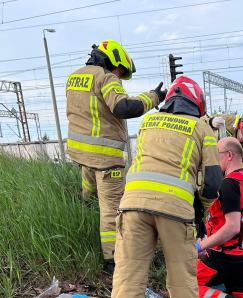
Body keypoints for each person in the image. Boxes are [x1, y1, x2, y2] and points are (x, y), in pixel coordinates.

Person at [111, 76, 223, 297]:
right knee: (182, 280)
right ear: (197, 103)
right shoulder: (201, 128)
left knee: (128, 278)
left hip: (132, 206)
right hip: (175, 211)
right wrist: (202, 211)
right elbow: (212, 181)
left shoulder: (147, 123)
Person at [66, 39, 166, 271]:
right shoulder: (106, 78)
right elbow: (123, 107)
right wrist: (153, 97)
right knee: (111, 210)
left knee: (89, 197)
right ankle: (112, 260)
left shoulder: (75, 77)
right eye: (120, 71)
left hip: (82, 154)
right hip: (105, 158)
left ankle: (83, 226)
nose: (119, 76)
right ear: (113, 60)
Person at [197, 137, 243, 298]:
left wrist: (200, 246)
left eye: (217, 154)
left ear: (229, 155)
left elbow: (232, 227)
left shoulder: (228, 183)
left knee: (184, 283)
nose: (214, 160)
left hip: (226, 256)